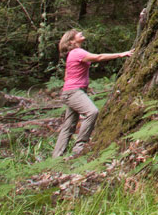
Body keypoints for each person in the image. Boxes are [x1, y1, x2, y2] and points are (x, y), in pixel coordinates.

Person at [52, 29, 132, 158]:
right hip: (74, 92)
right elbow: (99, 57)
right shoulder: (77, 52)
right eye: (77, 33)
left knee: (69, 125)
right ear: (72, 41)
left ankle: (56, 157)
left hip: (71, 91)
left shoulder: (72, 54)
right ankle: (79, 147)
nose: (81, 33)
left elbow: (66, 75)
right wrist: (121, 54)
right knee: (92, 112)